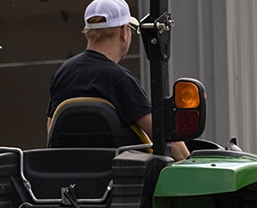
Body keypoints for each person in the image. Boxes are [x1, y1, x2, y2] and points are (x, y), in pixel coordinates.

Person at [47, 0, 189, 159]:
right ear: (123, 32)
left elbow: (52, 132)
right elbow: (163, 136)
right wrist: (189, 162)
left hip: (67, 171)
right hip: (121, 173)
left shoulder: (62, 74)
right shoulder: (119, 79)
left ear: (87, 31)